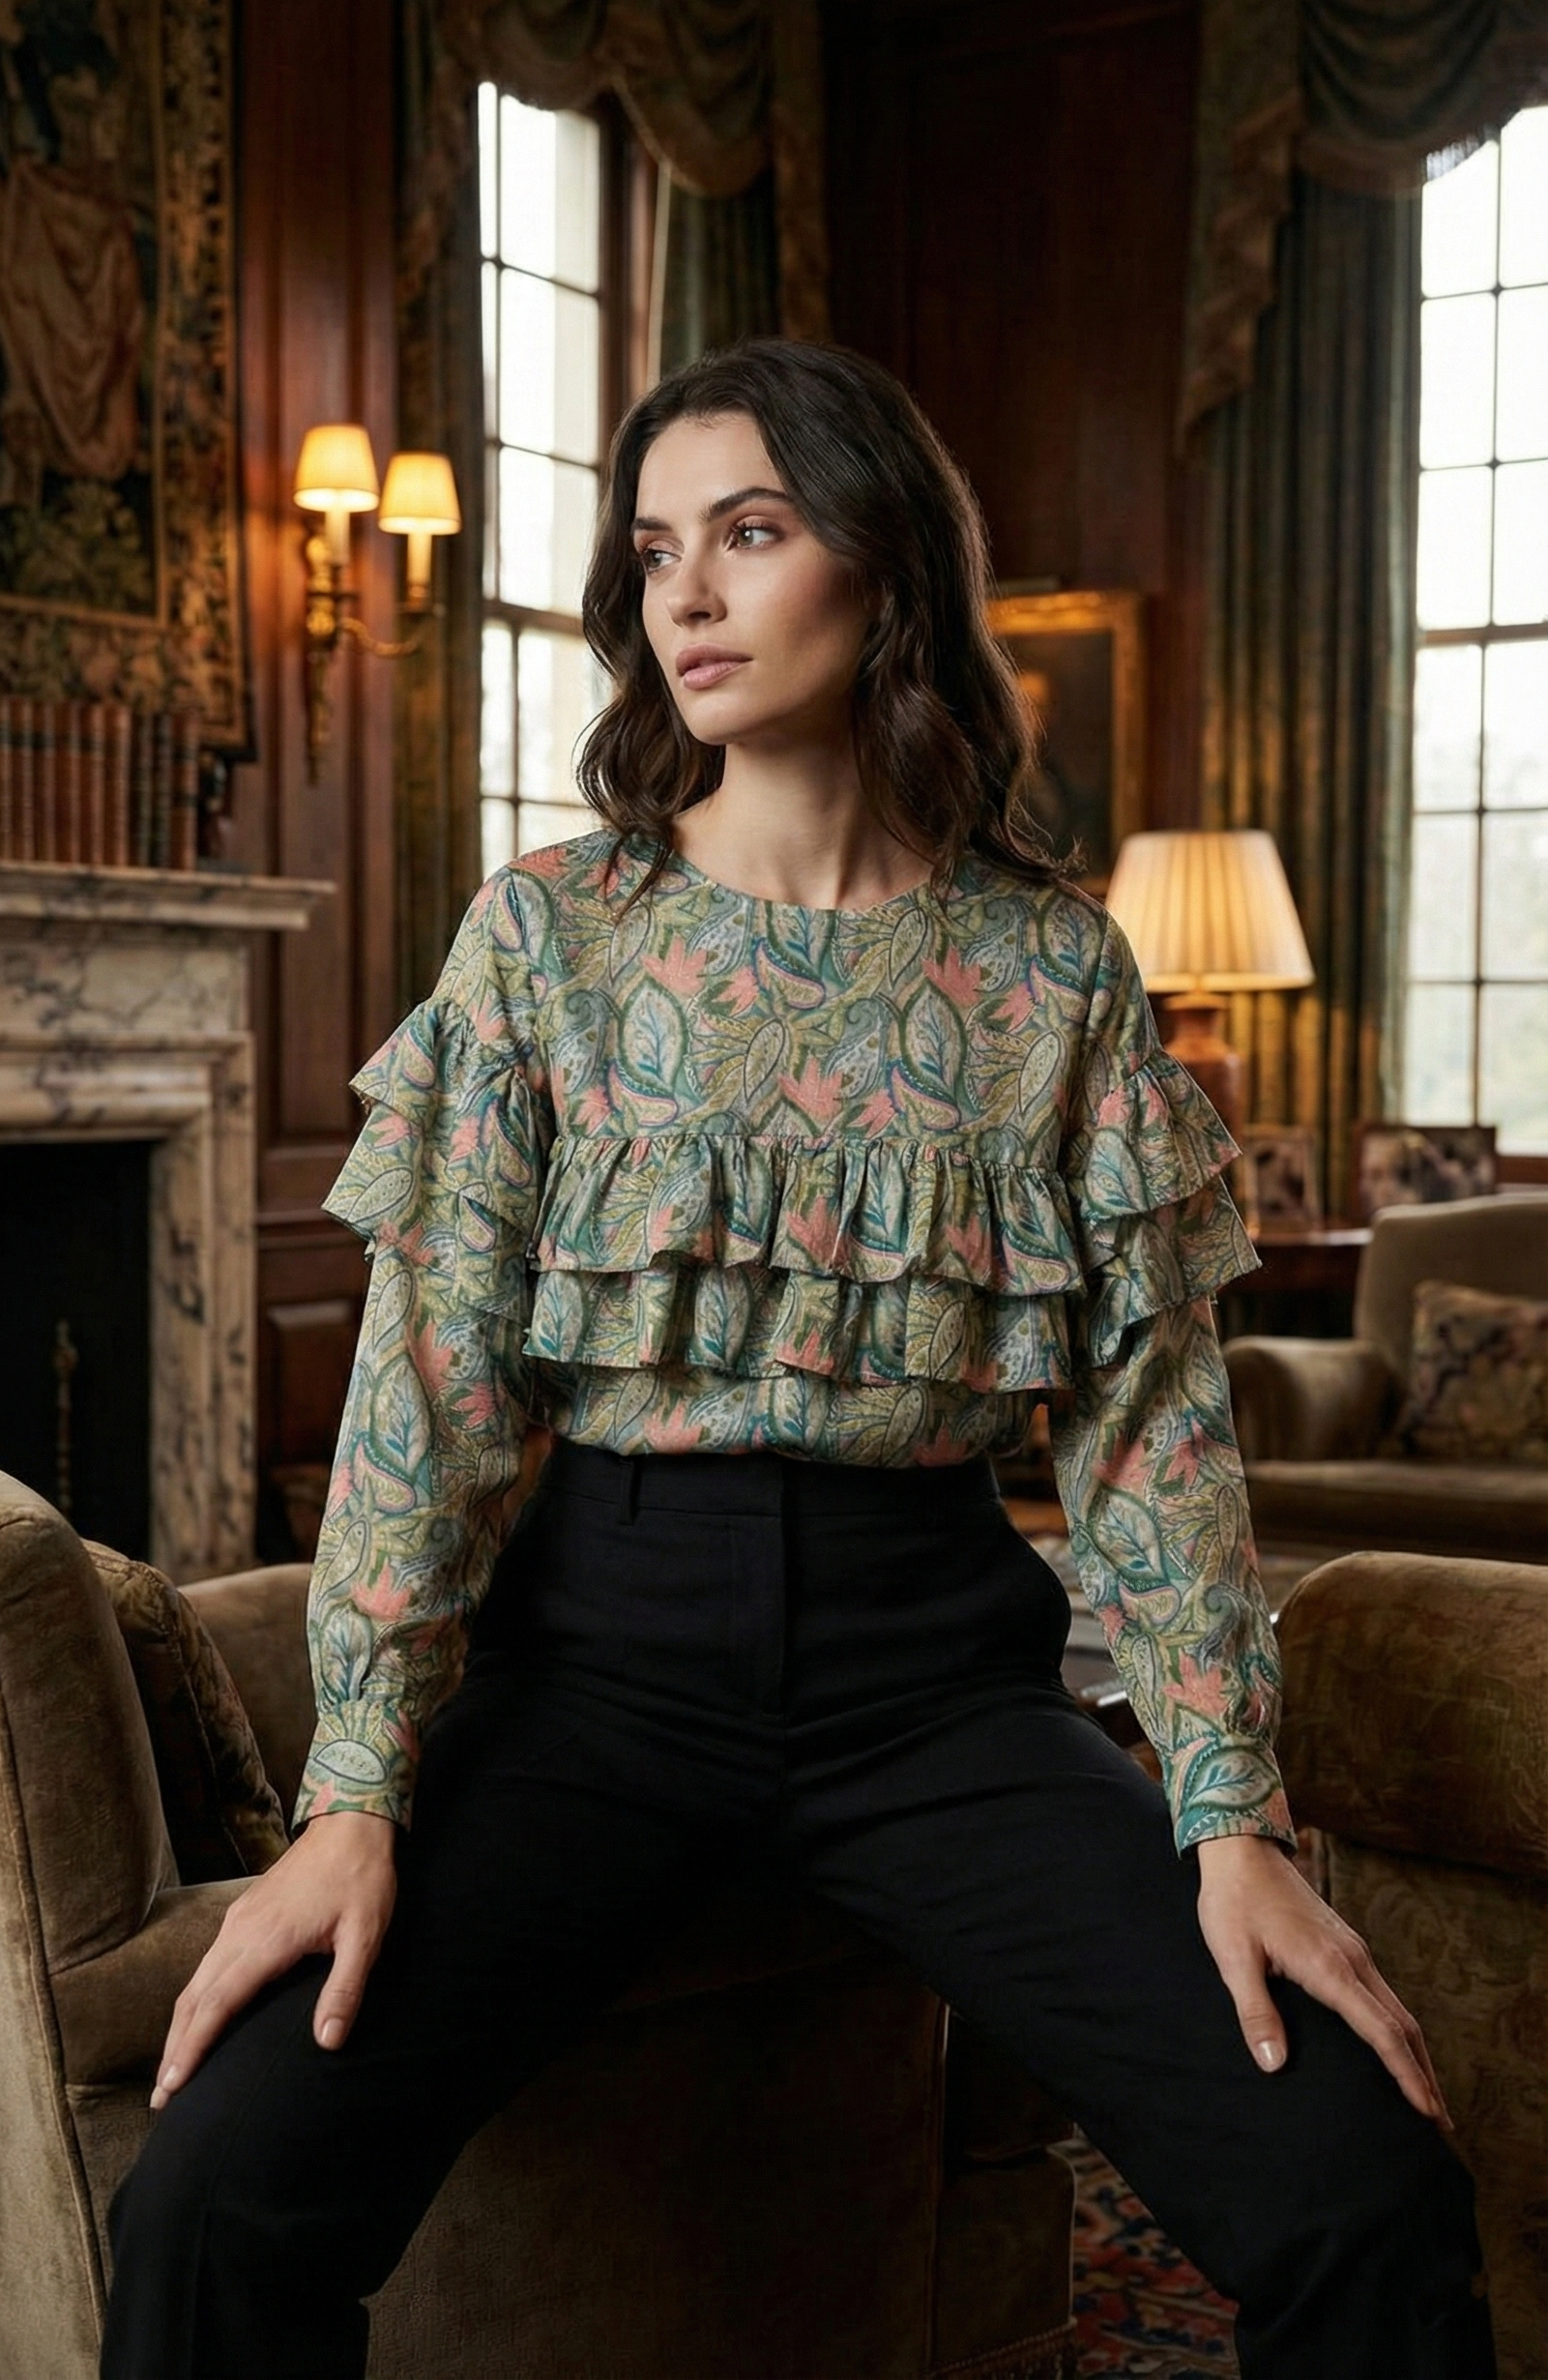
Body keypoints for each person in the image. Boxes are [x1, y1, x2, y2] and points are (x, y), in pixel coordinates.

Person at [102, 339, 1494, 2379]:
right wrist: (353, 1792)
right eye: (655, 546)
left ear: (885, 566)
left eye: (747, 534)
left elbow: (1150, 1440)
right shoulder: (547, 939)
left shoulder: (1053, 970)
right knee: (214, 2198)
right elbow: (426, 1399)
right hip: (595, 1672)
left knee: (1365, 2184)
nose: (683, 593)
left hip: (931, 1688)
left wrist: (1233, 1816)